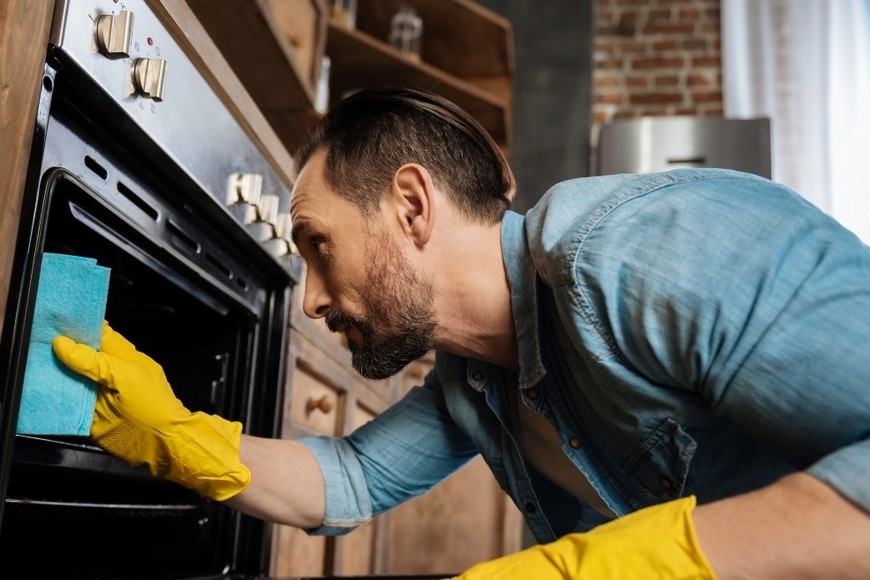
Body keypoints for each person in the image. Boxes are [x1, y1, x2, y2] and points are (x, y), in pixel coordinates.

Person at [52, 86, 870, 579]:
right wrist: (170, 434)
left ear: (410, 206)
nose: (307, 303)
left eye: (319, 247)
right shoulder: (473, 385)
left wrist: (597, 568)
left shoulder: (637, 250)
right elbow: (349, 480)